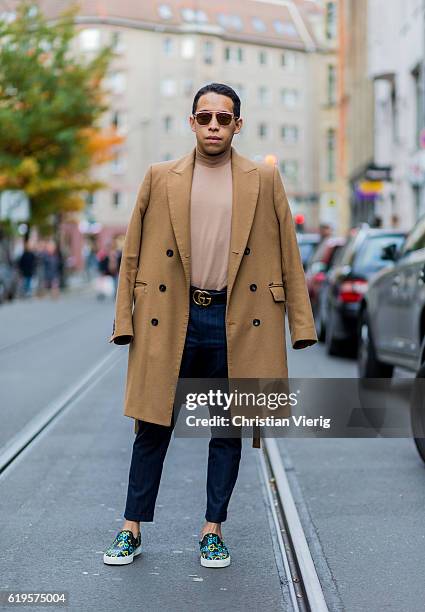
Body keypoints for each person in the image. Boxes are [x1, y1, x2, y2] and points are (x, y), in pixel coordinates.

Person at [104, 83, 317, 568]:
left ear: (238, 124)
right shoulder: (161, 177)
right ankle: (130, 528)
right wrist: (124, 320)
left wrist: (300, 325)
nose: (214, 126)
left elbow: (289, 251)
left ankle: (212, 530)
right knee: (152, 424)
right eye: (205, 118)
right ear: (192, 122)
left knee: (228, 429)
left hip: (236, 319)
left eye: (224, 118)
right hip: (172, 316)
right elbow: (132, 254)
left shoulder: (263, 180)